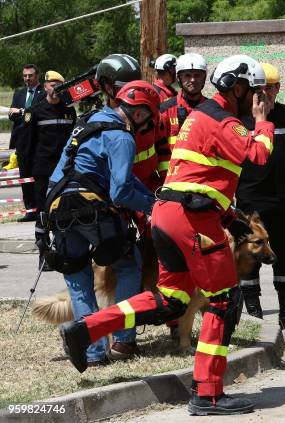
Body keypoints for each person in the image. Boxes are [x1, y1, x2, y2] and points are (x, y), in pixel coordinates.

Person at [59, 54, 273, 416]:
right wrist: (263, 121)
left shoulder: (201, 116)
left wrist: (231, 218)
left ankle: (85, 329)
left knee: (171, 300)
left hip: (169, 216)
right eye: (255, 91)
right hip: (192, 222)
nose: (260, 98)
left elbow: (199, 177)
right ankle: (208, 394)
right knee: (223, 300)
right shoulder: (225, 119)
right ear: (237, 87)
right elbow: (259, 154)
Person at [43, 81, 159, 366]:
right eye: (146, 117)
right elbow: (120, 191)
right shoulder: (122, 137)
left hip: (58, 209)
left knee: (78, 276)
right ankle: (123, 342)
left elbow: (118, 177)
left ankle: (93, 354)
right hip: (93, 209)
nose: (144, 125)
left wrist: (154, 198)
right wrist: (153, 208)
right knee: (128, 265)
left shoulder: (87, 124)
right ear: (140, 113)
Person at [236, 62, 285, 331]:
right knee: (251, 256)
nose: (264, 92)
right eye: (259, 87)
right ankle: (253, 313)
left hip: (283, 199)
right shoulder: (241, 119)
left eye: (270, 87)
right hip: (250, 199)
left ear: (278, 88)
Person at [22, 71, 77, 270]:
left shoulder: (69, 111)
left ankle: (64, 250)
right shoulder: (35, 111)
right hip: (43, 169)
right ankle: (44, 252)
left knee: (64, 209)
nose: (54, 89)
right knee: (43, 211)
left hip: (64, 170)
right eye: (51, 85)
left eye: (58, 85)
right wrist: (26, 170)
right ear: (45, 86)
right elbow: (26, 143)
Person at [96, 53, 164, 193]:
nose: (133, 92)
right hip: (124, 196)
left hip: (152, 190)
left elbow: (163, 148)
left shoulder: (151, 114)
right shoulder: (100, 127)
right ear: (108, 88)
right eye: (127, 87)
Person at [157, 52, 208, 174]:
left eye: (197, 75)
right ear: (179, 78)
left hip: (202, 180)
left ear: (204, 78)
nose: (192, 80)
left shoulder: (212, 110)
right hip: (170, 181)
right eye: (187, 76)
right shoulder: (165, 110)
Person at [8, 64, 44, 221]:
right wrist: (25, 113)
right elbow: (11, 114)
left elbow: (38, 111)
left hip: (38, 141)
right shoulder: (19, 93)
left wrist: (22, 112)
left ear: (37, 76)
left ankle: (41, 210)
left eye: (30, 75)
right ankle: (30, 210)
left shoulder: (43, 92)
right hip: (22, 142)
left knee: (38, 177)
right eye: (25, 76)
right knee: (25, 178)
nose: (27, 79)